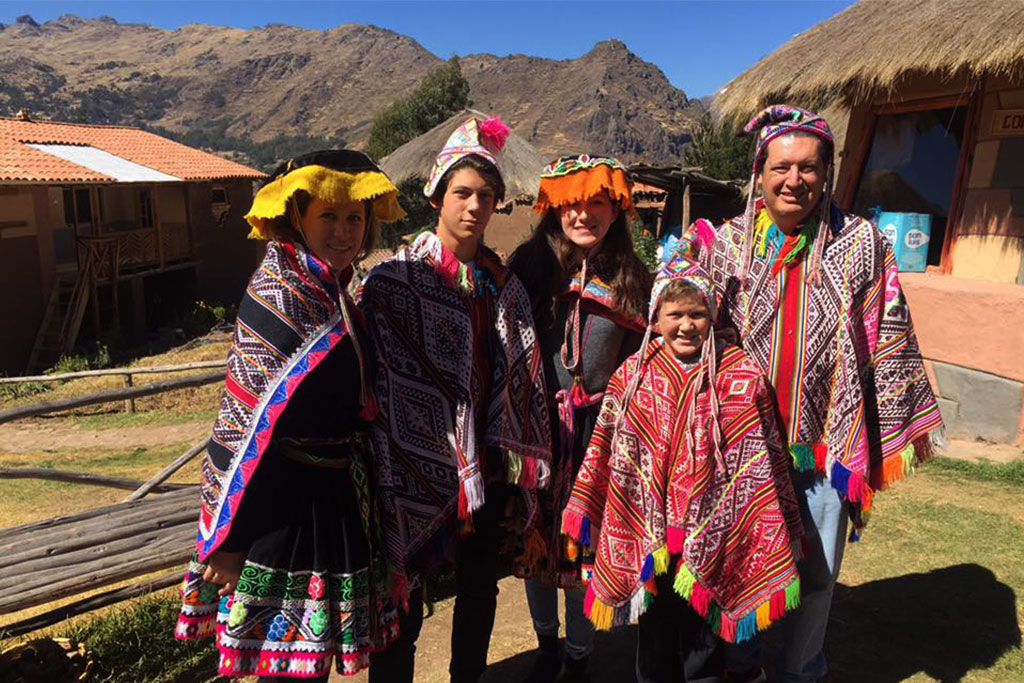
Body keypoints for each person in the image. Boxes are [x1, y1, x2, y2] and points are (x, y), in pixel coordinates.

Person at [700, 105, 944, 682]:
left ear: (827, 173)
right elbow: (684, 317)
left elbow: (887, 332)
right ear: (759, 172)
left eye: (809, 167)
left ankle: (801, 668)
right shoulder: (724, 246)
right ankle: (744, 665)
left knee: (818, 575)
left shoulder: (861, 243)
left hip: (826, 446)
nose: (795, 180)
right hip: (743, 450)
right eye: (781, 166)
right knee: (741, 563)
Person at [176, 150, 406, 679]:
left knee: (311, 665)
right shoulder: (278, 293)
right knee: (285, 669)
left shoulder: (335, 293)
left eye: (355, 218)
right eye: (329, 216)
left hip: (335, 501)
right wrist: (230, 542)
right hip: (279, 512)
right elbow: (243, 426)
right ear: (296, 216)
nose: (344, 231)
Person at [360, 115, 552, 683]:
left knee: (479, 586)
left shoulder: (504, 285)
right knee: (405, 600)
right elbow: (377, 375)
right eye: (462, 193)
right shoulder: (394, 281)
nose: (474, 207)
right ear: (438, 197)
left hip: (487, 466)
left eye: (486, 196)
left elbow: (521, 371)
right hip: (414, 463)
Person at [561, 248, 804, 683]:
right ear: (656, 317)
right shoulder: (633, 374)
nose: (686, 325)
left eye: (698, 314)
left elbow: (762, 462)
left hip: (715, 537)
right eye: (675, 314)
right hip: (650, 542)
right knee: (653, 645)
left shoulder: (741, 375)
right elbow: (608, 452)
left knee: (702, 649)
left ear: (712, 316)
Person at [507, 154, 652, 682]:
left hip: (600, 435)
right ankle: (547, 645)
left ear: (615, 211)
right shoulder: (528, 265)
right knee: (536, 539)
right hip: (537, 429)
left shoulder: (633, 278)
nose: (583, 215)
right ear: (554, 209)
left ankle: (578, 653)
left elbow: (644, 359)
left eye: (597, 204)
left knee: (583, 547)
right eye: (572, 204)